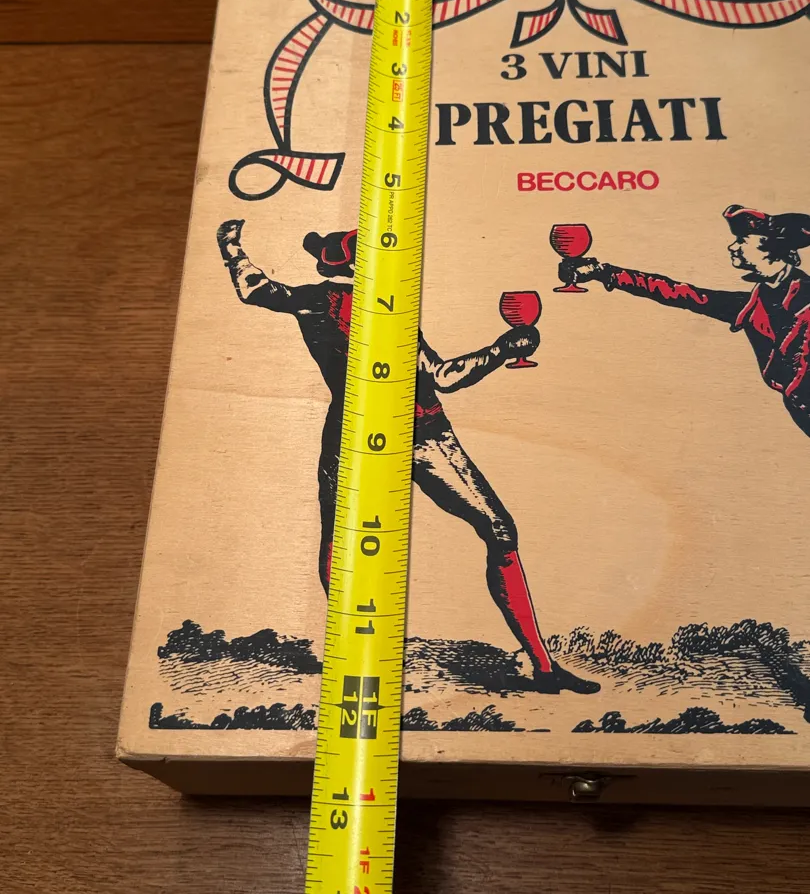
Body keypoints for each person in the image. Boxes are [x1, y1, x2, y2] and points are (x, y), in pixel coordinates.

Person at [217, 219, 599, 695]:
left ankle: (536, 666)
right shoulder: (349, 303)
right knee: (486, 532)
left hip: (388, 432)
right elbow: (444, 376)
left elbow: (255, 289)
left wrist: (233, 250)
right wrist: (502, 349)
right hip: (396, 433)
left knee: (348, 537)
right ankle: (536, 665)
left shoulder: (338, 303)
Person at [558, 204, 810, 437]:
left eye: (742, 241)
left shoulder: (803, 300)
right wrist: (604, 272)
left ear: (773, 248)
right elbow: (680, 293)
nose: (732, 247)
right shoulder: (757, 301)